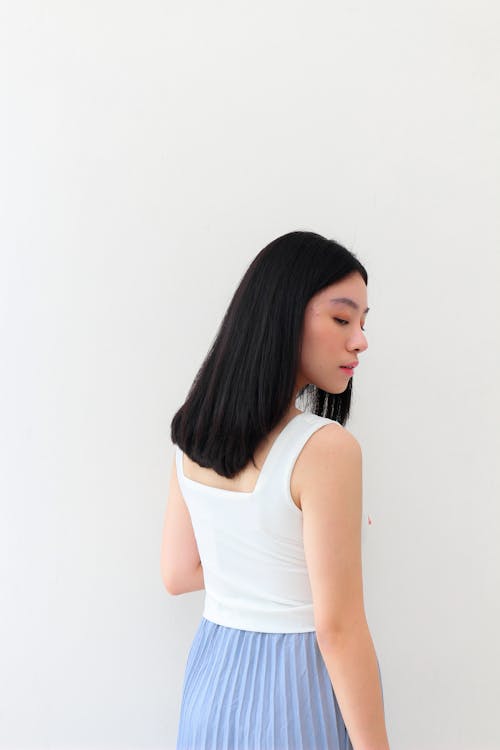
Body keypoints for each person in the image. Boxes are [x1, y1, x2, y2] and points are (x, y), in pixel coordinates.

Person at [160, 230, 390, 750]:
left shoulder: (192, 434)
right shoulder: (326, 449)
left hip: (211, 688)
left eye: (362, 323)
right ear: (283, 314)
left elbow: (177, 574)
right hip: (295, 691)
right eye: (341, 318)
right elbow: (339, 628)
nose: (360, 340)